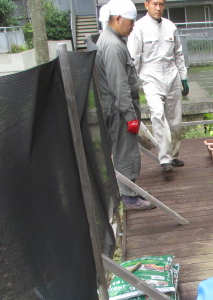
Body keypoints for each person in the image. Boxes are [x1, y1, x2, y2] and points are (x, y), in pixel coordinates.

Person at [95, 0, 155, 211]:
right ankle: (129, 197)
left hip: (119, 110)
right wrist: (130, 116)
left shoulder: (113, 40)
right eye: (130, 22)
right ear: (118, 19)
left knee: (126, 151)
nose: (133, 26)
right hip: (120, 112)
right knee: (125, 153)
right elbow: (119, 85)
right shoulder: (111, 45)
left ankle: (129, 189)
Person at [128, 0, 188, 173]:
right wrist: (134, 83)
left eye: (161, 4)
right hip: (151, 76)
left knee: (175, 121)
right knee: (158, 116)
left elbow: (178, 53)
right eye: (154, 4)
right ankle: (165, 159)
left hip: (172, 75)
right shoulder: (139, 28)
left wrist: (183, 77)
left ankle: (174, 155)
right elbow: (134, 57)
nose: (158, 8)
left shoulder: (171, 27)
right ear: (146, 5)